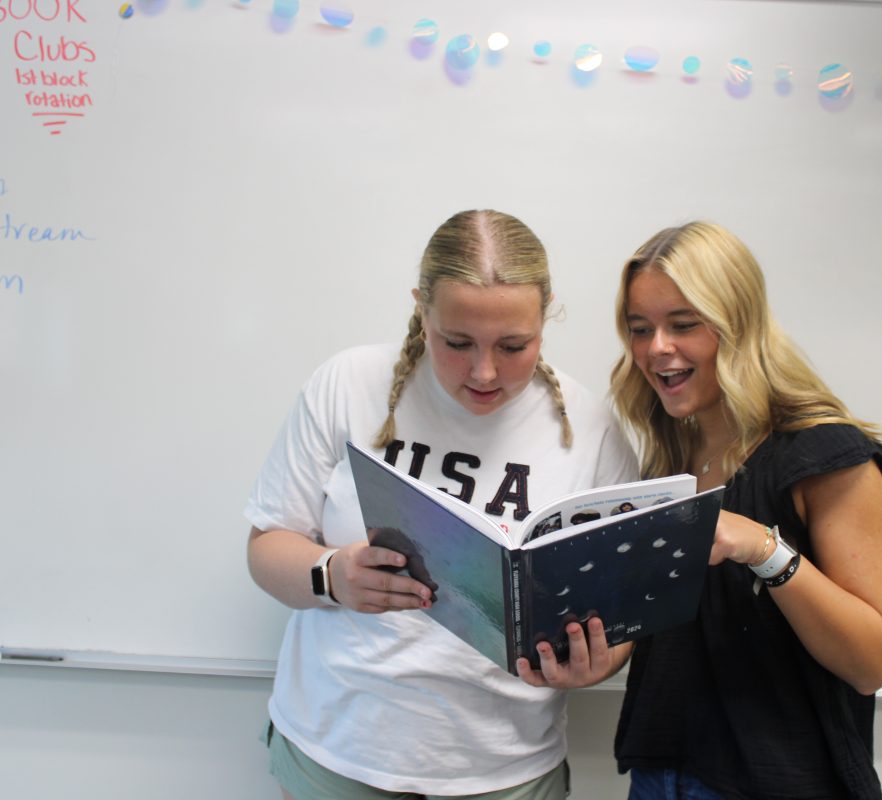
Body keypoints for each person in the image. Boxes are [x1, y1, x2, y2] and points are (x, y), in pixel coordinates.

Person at [245, 209, 639, 800]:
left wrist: (598, 663)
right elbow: (266, 549)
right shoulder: (347, 384)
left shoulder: (590, 427)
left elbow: (628, 607)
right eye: (456, 343)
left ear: (546, 313)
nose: (484, 372)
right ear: (420, 308)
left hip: (505, 767)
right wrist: (332, 575)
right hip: (338, 746)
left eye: (514, 345)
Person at [519, 222, 882, 800]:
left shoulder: (825, 454)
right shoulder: (672, 456)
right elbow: (665, 629)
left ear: (738, 323)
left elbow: (871, 661)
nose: (657, 349)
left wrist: (765, 550)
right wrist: (593, 661)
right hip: (663, 773)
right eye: (639, 329)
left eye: (683, 325)